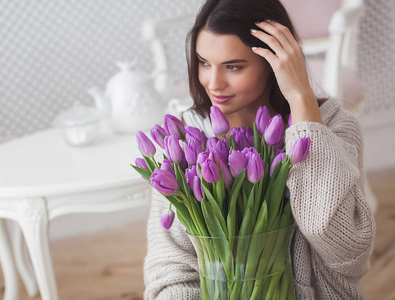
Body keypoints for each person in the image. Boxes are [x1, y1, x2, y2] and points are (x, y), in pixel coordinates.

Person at [143, 0, 375, 299]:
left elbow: (348, 251)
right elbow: (171, 268)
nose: (213, 83)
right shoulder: (185, 140)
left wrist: (301, 99)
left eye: (234, 66)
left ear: (274, 63)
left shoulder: (334, 127)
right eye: (203, 63)